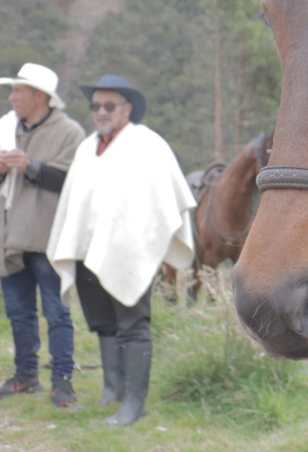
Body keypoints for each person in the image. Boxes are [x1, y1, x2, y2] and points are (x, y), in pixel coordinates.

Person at [45, 75, 195, 426]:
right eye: (95, 105)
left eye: (108, 105)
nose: (100, 111)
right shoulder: (87, 148)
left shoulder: (147, 144)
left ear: (127, 109)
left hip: (130, 252)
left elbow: (161, 200)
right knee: (103, 324)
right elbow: (74, 205)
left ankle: (135, 403)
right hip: (87, 252)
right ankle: (112, 392)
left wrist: (138, 240)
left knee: (132, 326)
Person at [0, 63, 86, 407]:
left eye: (18, 91)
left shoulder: (69, 132)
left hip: (47, 237)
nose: (11, 97)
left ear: (39, 97)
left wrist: (31, 167)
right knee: (18, 311)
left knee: (57, 312)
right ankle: (25, 376)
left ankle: (63, 381)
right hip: (9, 236)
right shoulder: (4, 129)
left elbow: (74, 183)